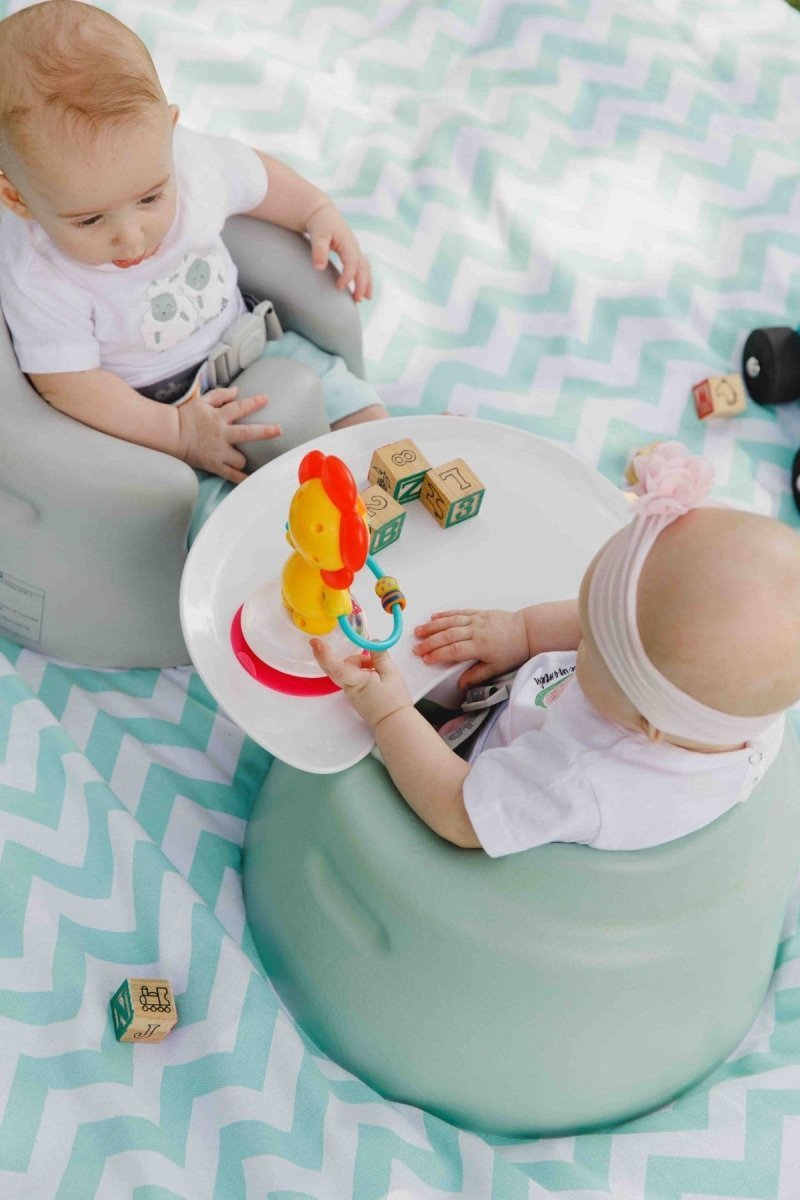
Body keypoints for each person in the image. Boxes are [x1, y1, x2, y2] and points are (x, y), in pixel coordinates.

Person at [312, 442, 800, 855]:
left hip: (478, 768)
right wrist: (521, 632)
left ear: (645, 723)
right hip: (535, 706)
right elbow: (619, 625)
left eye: (592, 643)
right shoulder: (738, 695)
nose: (580, 635)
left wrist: (392, 713)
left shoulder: (580, 778)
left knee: (340, 736)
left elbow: (460, 814)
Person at [0, 0, 388, 507]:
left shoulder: (190, 162)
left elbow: (260, 179)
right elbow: (68, 384)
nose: (132, 239)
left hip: (255, 346)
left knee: (348, 401)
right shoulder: (37, 271)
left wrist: (317, 211)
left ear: (171, 130)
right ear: (17, 198)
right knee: (206, 505)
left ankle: (402, 472)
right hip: (155, 414)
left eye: (150, 199)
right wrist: (178, 432)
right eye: (90, 220)